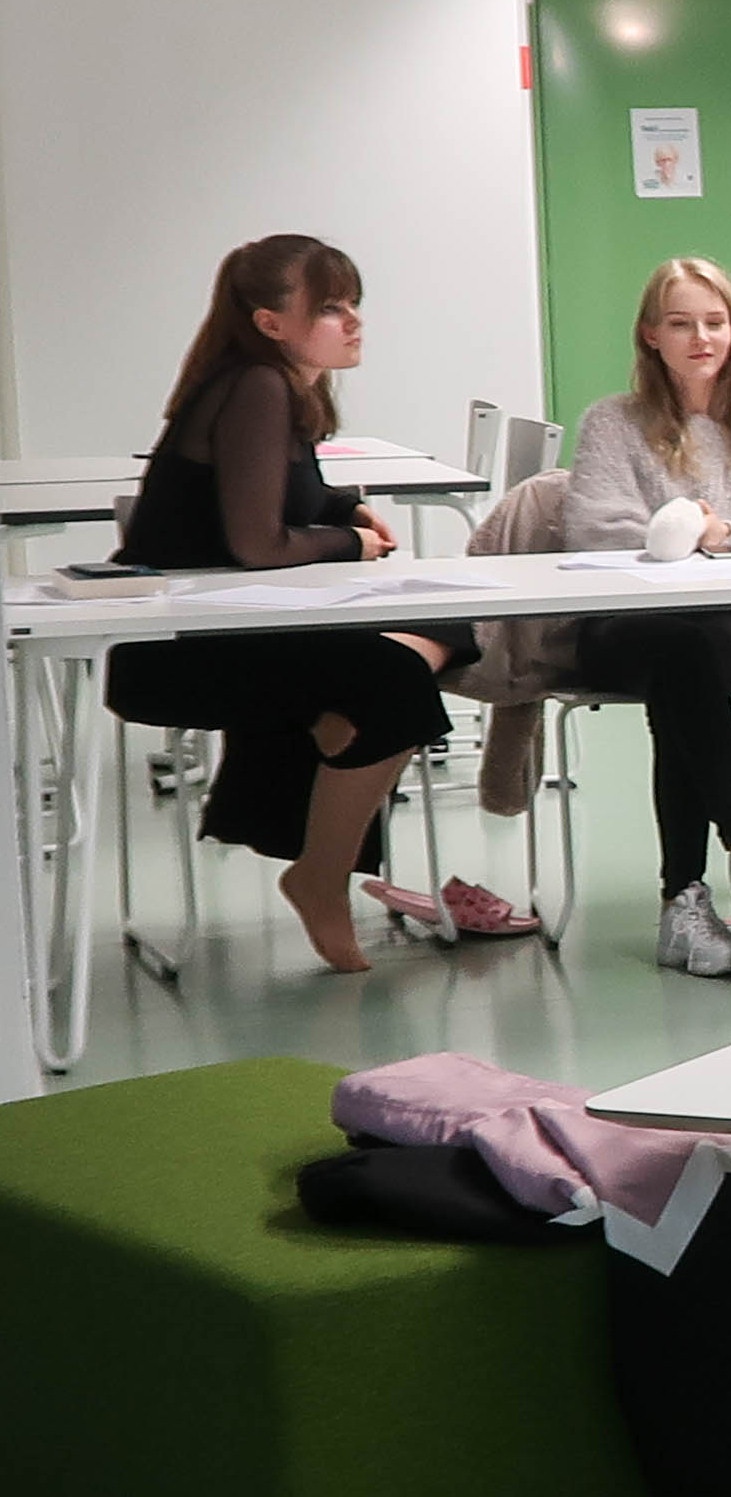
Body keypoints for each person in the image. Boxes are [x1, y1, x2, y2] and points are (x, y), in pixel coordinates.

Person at [106, 236, 471, 975]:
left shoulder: (272, 385)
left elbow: (267, 497)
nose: (354, 322)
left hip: (233, 626)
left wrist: (346, 507)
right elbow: (257, 544)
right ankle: (319, 874)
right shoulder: (258, 387)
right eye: (332, 308)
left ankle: (331, 737)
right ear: (272, 322)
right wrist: (348, 541)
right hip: (183, 646)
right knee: (392, 683)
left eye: (353, 305)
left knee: (436, 633)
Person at [557, 258, 731, 978]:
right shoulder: (612, 422)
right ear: (651, 336)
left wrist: (712, 535)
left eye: (714, 320)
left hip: (722, 629)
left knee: (691, 659)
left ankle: (687, 905)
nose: (700, 336)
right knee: (681, 653)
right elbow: (593, 527)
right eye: (680, 322)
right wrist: (691, 530)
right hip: (620, 626)